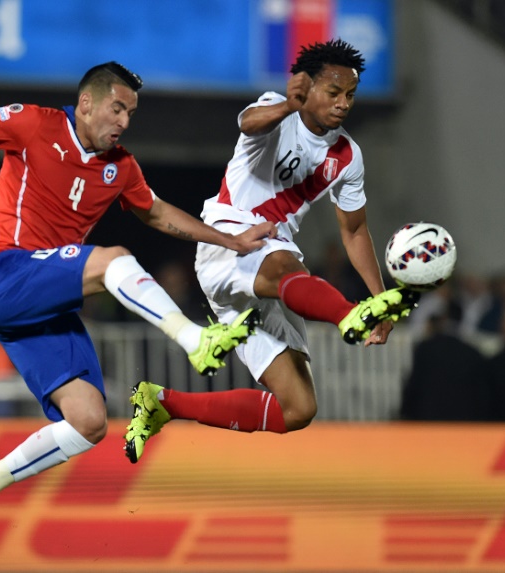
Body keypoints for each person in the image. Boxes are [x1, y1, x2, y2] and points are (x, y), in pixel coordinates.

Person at [0, 61, 274, 562]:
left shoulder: (121, 167)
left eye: (131, 113)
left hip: (46, 302)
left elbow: (155, 212)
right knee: (114, 261)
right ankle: (197, 340)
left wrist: (231, 239)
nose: (124, 121)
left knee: (89, 422)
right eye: (117, 108)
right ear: (86, 103)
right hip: (4, 274)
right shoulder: (34, 123)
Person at [124, 39, 419, 463]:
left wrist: (379, 300)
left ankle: (162, 404)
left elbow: (354, 231)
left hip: (269, 263)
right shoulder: (276, 111)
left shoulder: (348, 155)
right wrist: (288, 106)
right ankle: (345, 314)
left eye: (350, 95)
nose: (343, 104)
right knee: (284, 262)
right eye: (333, 93)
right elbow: (248, 122)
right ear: (307, 86)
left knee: (298, 408)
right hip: (229, 238)